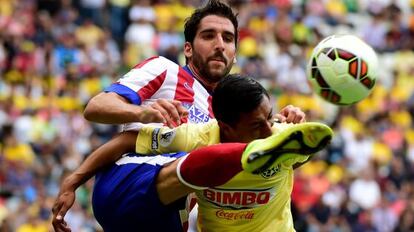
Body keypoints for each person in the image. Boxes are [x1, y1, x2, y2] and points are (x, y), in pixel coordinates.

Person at [53, 75, 332, 231]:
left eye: (269, 119)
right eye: (257, 126)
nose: (268, 132)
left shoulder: (283, 135)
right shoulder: (196, 135)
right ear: (225, 126)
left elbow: (305, 147)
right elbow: (127, 140)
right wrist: (72, 182)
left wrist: (291, 129)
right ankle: (232, 158)